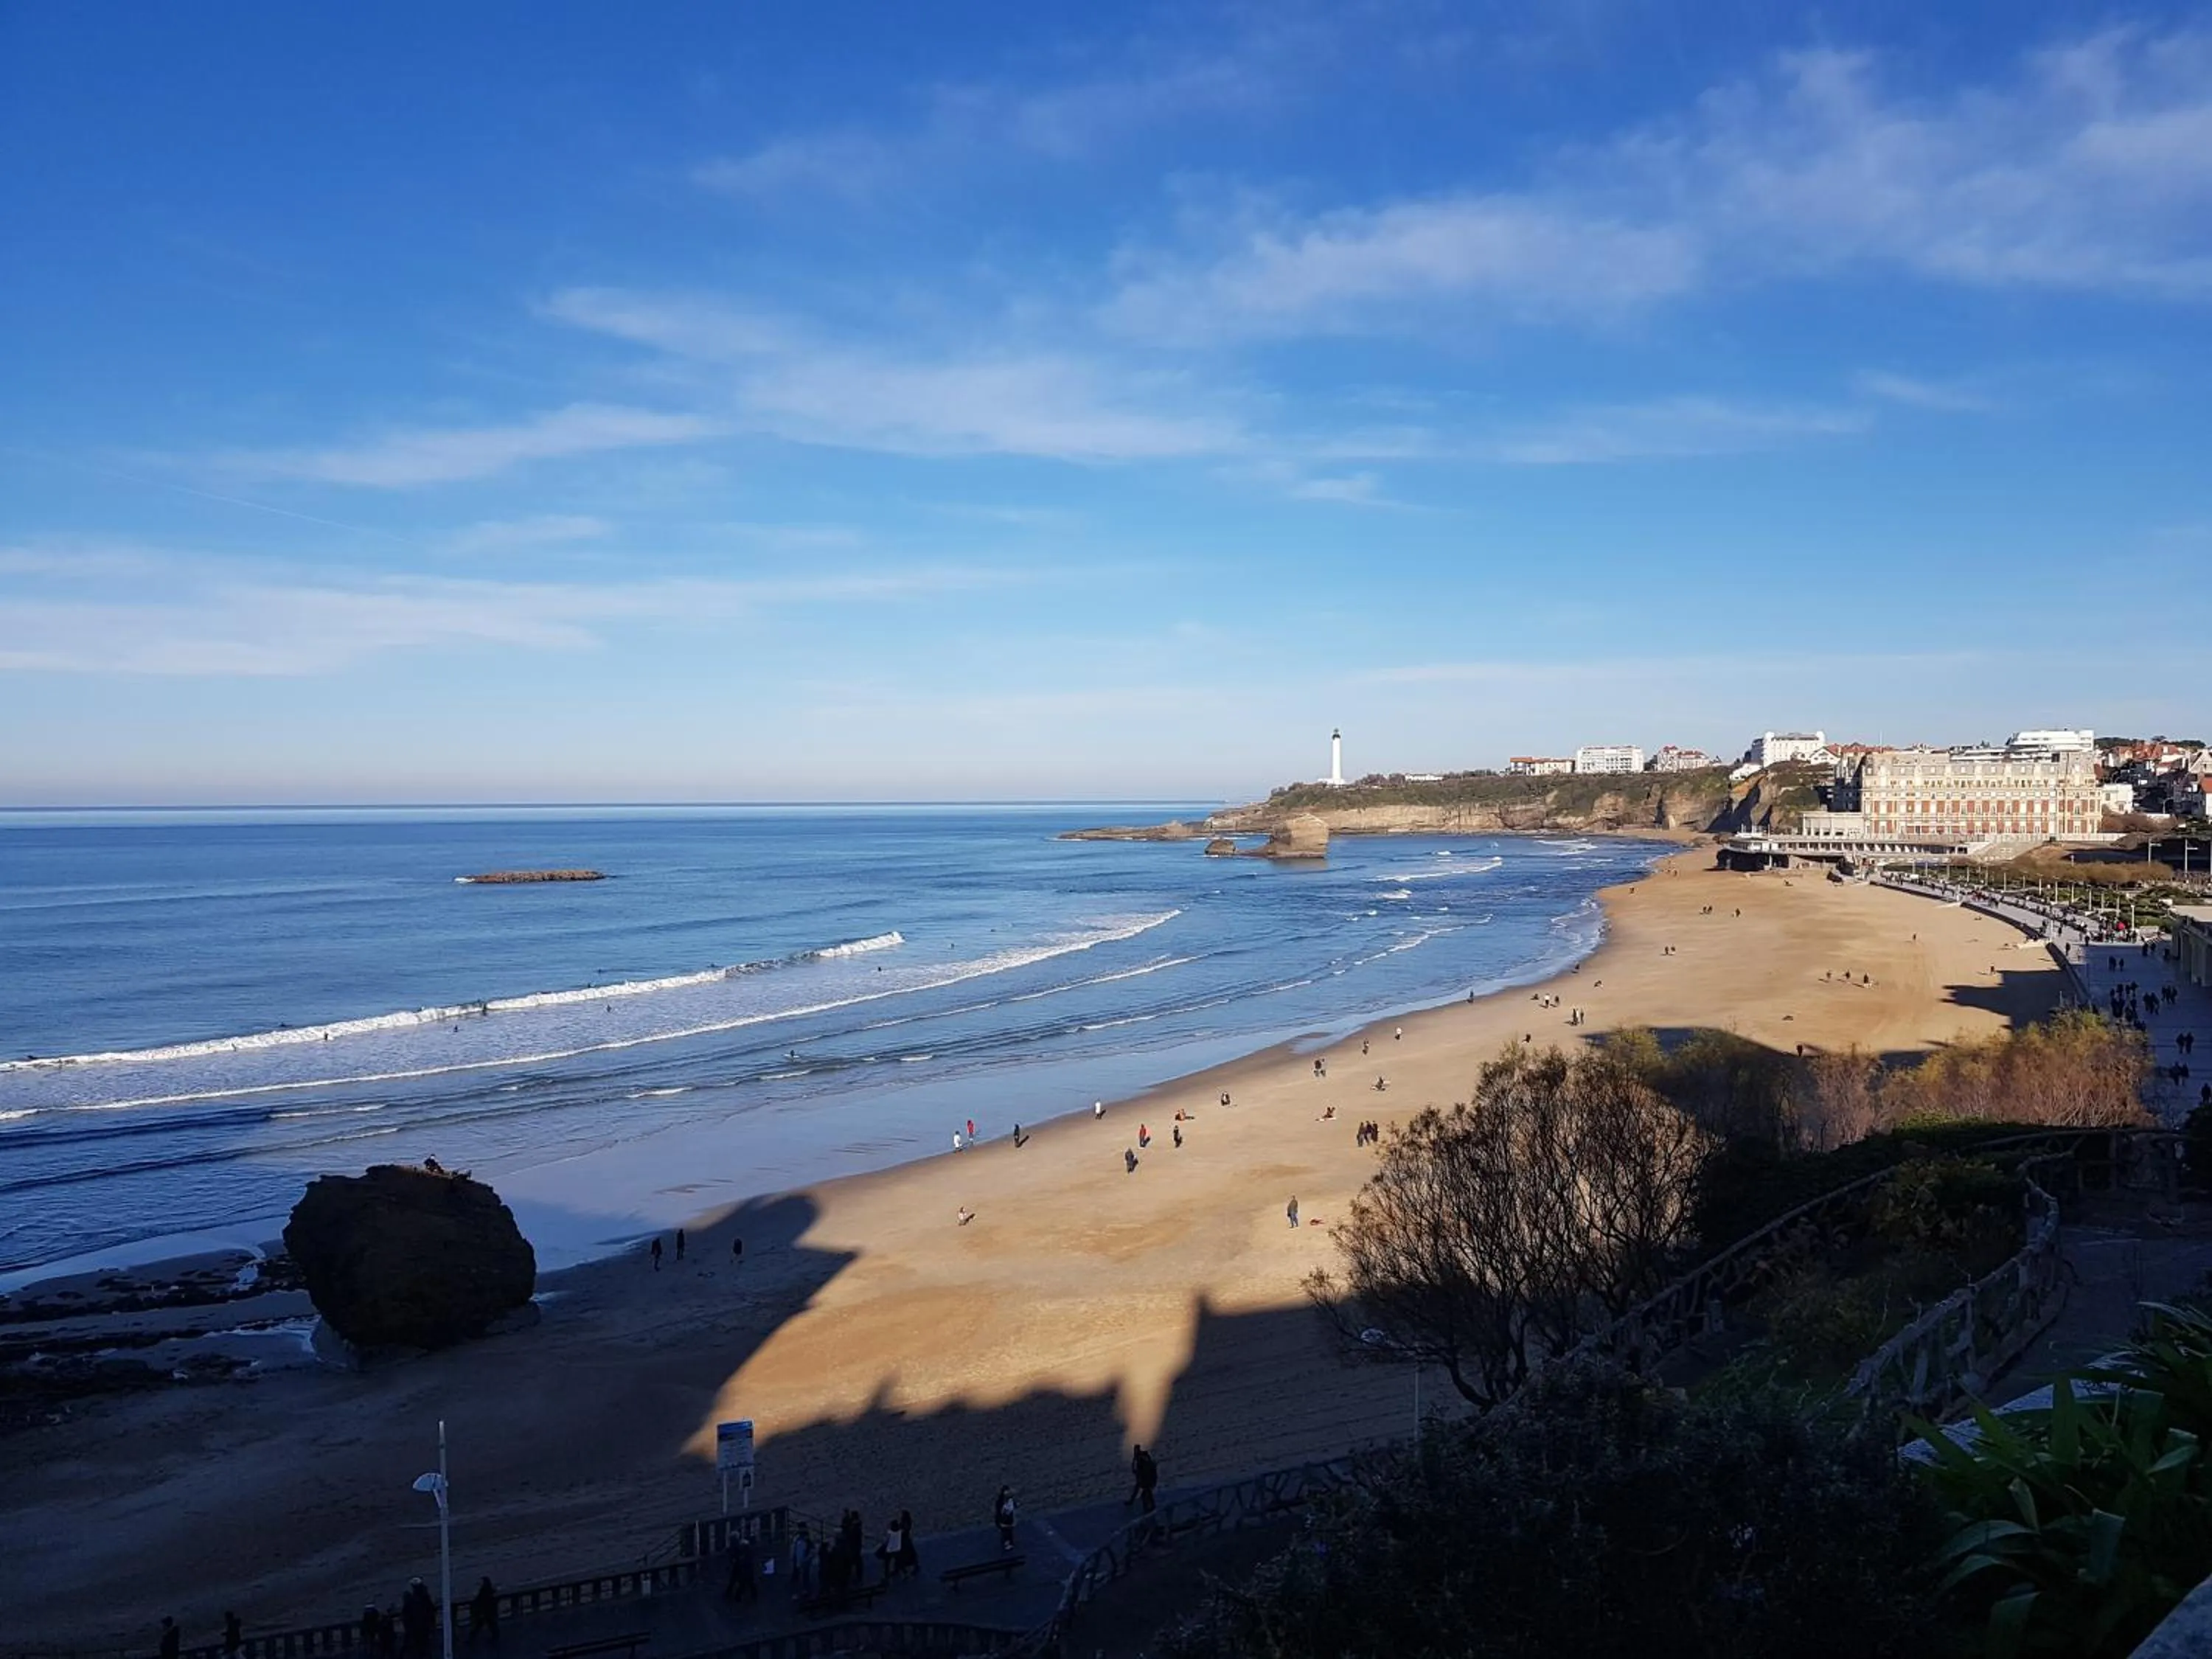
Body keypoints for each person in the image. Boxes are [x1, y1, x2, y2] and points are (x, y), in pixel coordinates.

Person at [725, 1534, 757, 1602]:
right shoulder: (742, 1546)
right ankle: (735, 1594)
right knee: (748, 1581)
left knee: (743, 1581)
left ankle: (736, 1595)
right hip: (743, 1566)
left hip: (743, 1566)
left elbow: (737, 1556)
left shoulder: (741, 1546)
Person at [466, 1578, 498, 1646]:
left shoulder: (483, 1592)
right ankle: (495, 1639)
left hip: (484, 1612)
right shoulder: (489, 1591)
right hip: (488, 1612)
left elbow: (480, 1601)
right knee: (491, 1626)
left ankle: (471, 1639)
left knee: (479, 1626)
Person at [1129, 1444, 1159, 1513]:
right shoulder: (1141, 1460)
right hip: (1144, 1479)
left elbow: (1144, 1470)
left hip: (1147, 1480)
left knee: (1146, 1494)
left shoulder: (1144, 1460)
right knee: (1145, 1493)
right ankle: (1149, 1508)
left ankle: (1149, 1509)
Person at [897, 1509, 920, 1580]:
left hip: (905, 1540)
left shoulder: (906, 1522)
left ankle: (905, 1570)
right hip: (904, 1540)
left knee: (905, 1554)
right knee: (908, 1554)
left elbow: (905, 1529)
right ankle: (906, 1569)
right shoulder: (906, 1522)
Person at [995, 1486, 1018, 1552]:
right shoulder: (1000, 1503)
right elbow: (998, 1513)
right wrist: (999, 1522)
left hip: (1010, 1518)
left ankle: (1010, 1542)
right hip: (1004, 1520)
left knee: (1010, 1531)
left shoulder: (1011, 1501)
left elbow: (1014, 1509)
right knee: (1005, 1532)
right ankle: (1006, 1542)